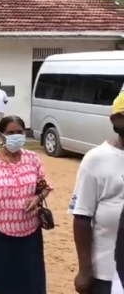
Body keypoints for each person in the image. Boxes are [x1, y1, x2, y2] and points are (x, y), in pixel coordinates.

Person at [0, 115, 51, 294]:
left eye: (20, 132)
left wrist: (37, 199)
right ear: (1, 136)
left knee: (27, 280)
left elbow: (44, 187)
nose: (16, 136)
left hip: (29, 232)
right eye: (11, 132)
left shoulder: (33, 159)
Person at [70, 89, 124, 294]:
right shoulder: (97, 159)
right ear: (116, 119)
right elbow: (82, 216)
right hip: (108, 272)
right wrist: (85, 270)